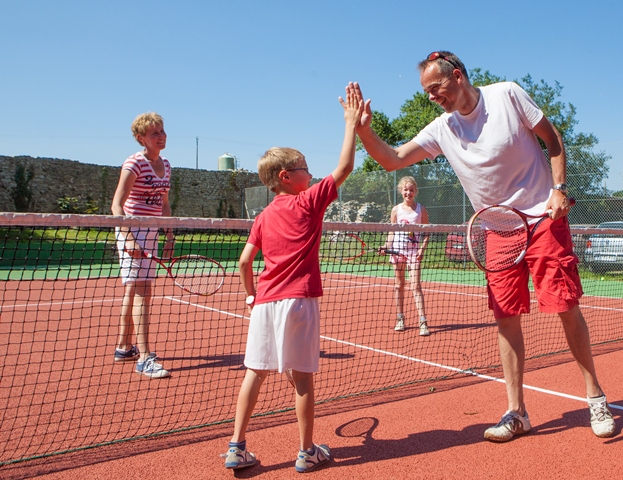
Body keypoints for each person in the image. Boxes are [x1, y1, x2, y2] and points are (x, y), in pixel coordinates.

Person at [352, 51, 615, 441]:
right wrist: (364, 131)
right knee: (506, 318)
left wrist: (559, 190)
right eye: (425, 91)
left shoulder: (507, 94)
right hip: (497, 231)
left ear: (457, 76)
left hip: (544, 219)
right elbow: (392, 159)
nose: (431, 97)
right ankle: (516, 412)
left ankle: (596, 397)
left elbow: (553, 138)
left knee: (565, 306)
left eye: (435, 88)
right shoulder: (442, 129)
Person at [223, 83, 363, 472]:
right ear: (287, 176)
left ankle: (236, 445)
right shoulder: (308, 201)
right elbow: (346, 168)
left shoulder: (263, 216)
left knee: (255, 373)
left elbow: (244, 262)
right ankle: (306, 451)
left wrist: (251, 296)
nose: (311, 173)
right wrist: (350, 123)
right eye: (305, 168)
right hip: (299, 301)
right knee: (302, 379)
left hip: (265, 303)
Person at [111, 112, 174, 379]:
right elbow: (117, 204)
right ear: (141, 139)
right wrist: (127, 237)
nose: (161, 136)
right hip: (131, 228)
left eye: (162, 131)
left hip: (152, 230)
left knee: (135, 290)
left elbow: (165, 204)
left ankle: (125, 348)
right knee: (142, 290)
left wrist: (170, 235)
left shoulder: (167, 165)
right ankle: (145, 358)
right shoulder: (134, 163)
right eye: (154, 133)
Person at [380, 176, 430, 335]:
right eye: (406, 190)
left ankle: (423, 322)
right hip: (397, 252)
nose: (408, 193)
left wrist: (422, 249)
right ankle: (400, 319)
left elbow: (427, 232)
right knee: (399, 285)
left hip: (413, 253)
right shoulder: (396, 209)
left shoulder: (421, 209)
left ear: (415, 192)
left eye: (411, 190)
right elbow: (392, 232)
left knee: (415, 286)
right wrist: (386, 246)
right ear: (401, 191)